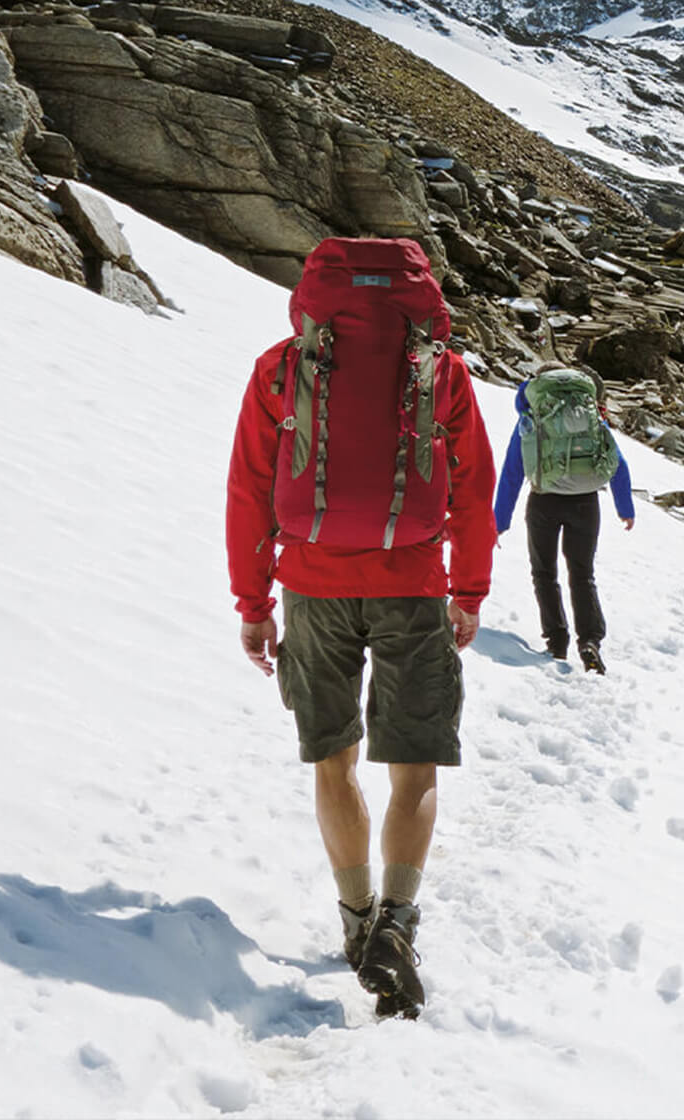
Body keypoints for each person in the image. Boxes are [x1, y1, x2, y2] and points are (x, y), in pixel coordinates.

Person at [225, 237, 494, 1019]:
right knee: (414, 769)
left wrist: (254, 604)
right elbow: (472, 489)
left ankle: (356, 923)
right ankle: (399, 927)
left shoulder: (283, 367)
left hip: (312, 586)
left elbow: (249, 489)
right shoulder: (438, 371)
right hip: (412, 584)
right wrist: (468, 590)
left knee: (333, 762)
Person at [493, 367, 635, 673]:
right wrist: (625, 507)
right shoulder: (589, 417)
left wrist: (499, 522)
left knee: (544, 573)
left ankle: (556, 641)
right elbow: (617, 463)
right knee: (583, 574)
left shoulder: (531, 420)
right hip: (586, 503)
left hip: (544, 501)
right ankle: (590, 641)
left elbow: (512, 473)